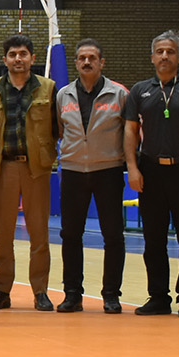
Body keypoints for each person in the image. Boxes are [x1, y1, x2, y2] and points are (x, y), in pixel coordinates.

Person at [123, 30, 179, 317]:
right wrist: (132, 168)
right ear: (152, 57)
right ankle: (158, 297)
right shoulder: (139, 91)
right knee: (153, 240)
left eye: (170, 51)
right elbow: (130, 130)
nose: (165, 56)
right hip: (150, 172)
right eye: (160, 51)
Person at [0, 34, 59, 311]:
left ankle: (41, 291)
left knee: (40, 235)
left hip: (37, 169)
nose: (18, 59)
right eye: (12, 54)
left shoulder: (48, 88)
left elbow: (57, 128)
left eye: (23, 54)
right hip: (3, 168)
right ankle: (1, 290)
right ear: (5, 59)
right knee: (3, 235)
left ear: (32, 58)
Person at [54, 40, 130, 313]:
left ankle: (111, 295)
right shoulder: (63, 95)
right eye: (82, 58)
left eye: (92, 58)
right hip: (73, 172)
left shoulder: (119, 94)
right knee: (70, 235)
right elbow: (60, 130)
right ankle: (72, 294)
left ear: (101, 62)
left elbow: (130, 132)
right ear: (75, 62)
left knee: (113, 235)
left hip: (108, 171)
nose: (87, 62)